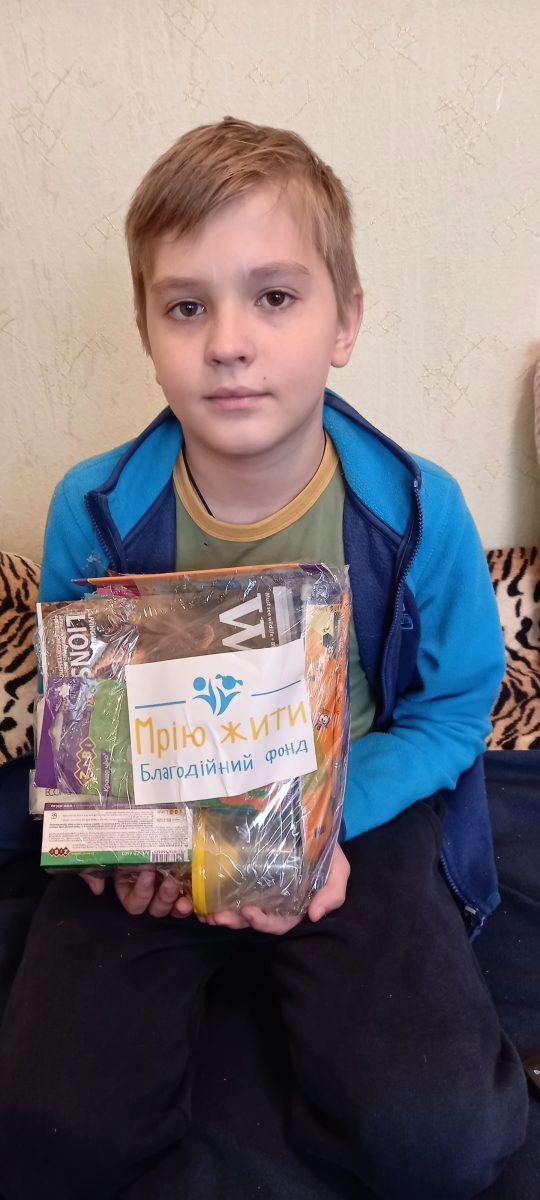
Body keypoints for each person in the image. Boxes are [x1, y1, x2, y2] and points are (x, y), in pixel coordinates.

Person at [0, 117, 528, 1200]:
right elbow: (83, 723)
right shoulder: (91, 512)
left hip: (349, 815)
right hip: (168, 826)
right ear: (146, 328)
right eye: (187, 306)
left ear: (347, 322)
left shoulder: (419, 511)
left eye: (275, 296)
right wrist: (110, 837)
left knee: (439, 1140)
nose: (228, 342)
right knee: (49, 1133)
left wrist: (316, 828)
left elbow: (453, 711)